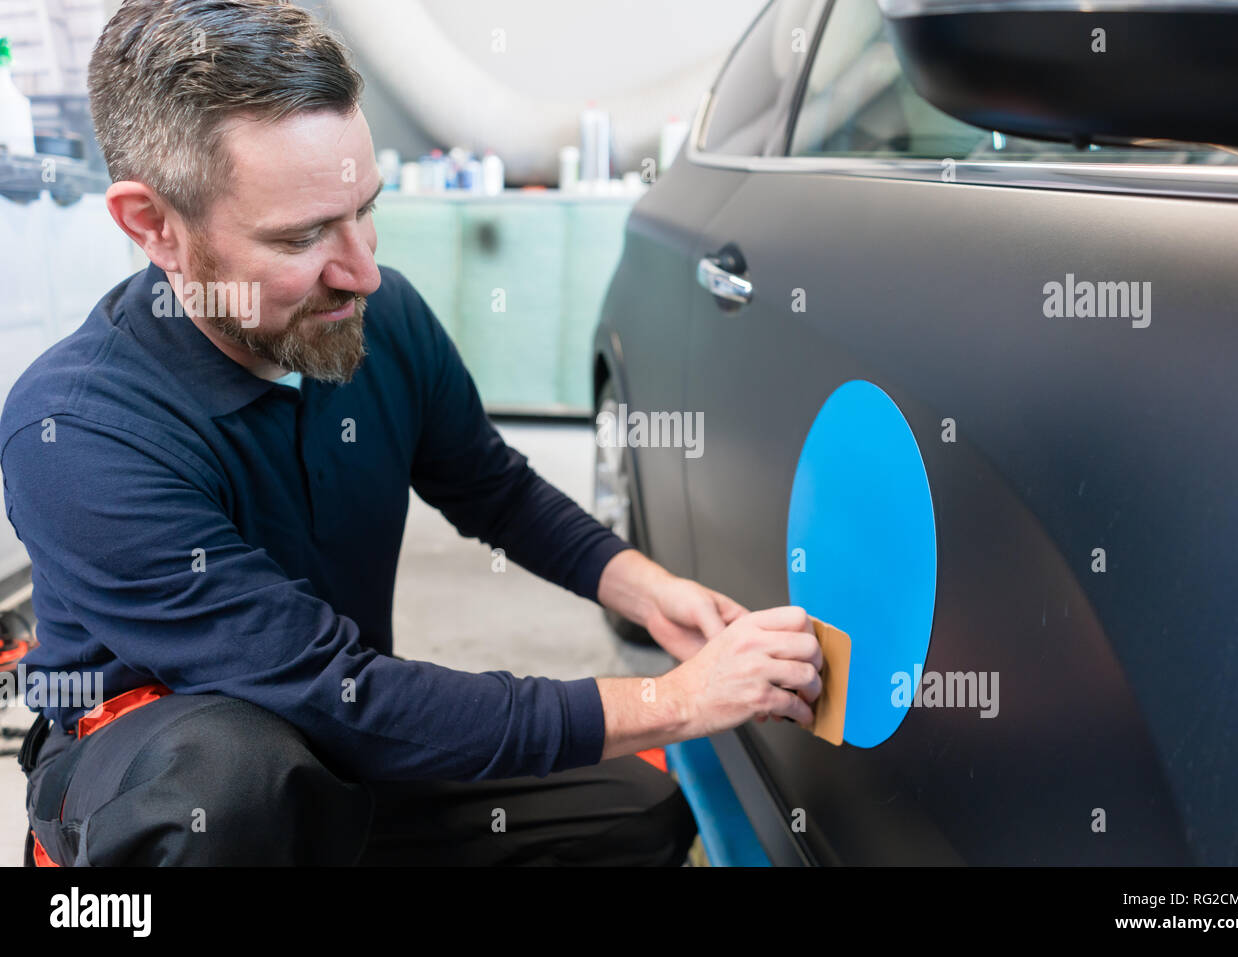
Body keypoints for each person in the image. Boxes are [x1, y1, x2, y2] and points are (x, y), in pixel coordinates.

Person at [0, 0, 824, 866]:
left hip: (338, 740)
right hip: (177, 777)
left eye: (365, 207)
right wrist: (679, 700)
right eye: (306, 234)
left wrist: (651, 591)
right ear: (153, 226)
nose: (362, 270)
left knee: (638, 809)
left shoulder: (377, 317)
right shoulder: (80, 432)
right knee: (235, 785)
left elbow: (492, 487)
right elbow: (332, 690)